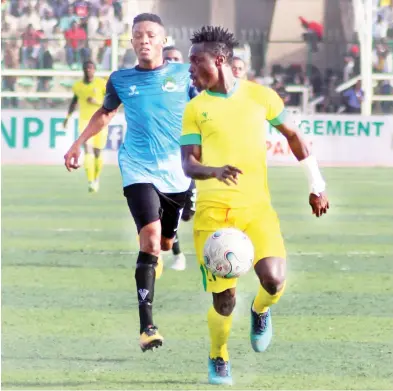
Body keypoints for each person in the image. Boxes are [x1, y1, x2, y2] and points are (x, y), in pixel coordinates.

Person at [180, 26, 329, 385]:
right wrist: (214, 170)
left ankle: (260, 310)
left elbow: (293, 136)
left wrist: (316, 183)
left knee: (274, 280)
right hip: (213, 216)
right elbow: (188, 163)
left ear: (218, 60)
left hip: (256, 210)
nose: (189, 70)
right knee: (224, 301)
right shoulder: (195, 108)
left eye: (195, 61)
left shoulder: (261, 97)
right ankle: (219, 355)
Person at [64, 13, 197, 352]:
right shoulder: (121, 79)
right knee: (150, 241)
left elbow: (210, 104)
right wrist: (77, 144)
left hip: (176, 172)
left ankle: (164, 247)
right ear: (132, 41)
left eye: (151, 34)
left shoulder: (184, 75)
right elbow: (106, 113)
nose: (144, 40)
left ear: (163, 40)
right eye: (138, 35)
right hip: (137, 166)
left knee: (165, 243)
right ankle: (147, 326)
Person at [162, 44, 196, 271]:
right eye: (168, 59)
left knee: (187, 215)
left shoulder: (190, 85)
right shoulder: (154, 86)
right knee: (165, 212)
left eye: (176, 58)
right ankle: (177, 255)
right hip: (161, 160)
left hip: (187, 157)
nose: (172, 62)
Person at [63, 60, 107, 193]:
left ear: (94, 69)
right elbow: (74, 102)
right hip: (84, 122)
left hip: (100, 121)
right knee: (88, 150)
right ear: (83, 70)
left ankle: (96, 177)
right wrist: (67, 118)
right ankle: (91, 181)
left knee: (98, 152)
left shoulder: (101, 84)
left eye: (91, 68)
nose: (88, 70)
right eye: (86, 68)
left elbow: (111, 101)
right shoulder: (78, 86)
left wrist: (97, 102)